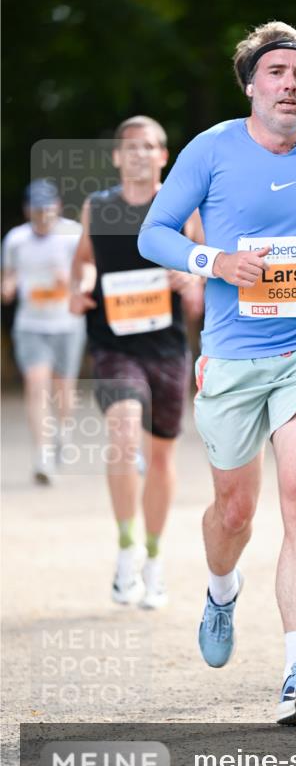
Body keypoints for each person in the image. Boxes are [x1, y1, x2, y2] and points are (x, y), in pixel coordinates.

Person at [138, 21, 296, 724]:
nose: (290, 84)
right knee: (235, 512)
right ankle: (221, 589)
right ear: (251, 85)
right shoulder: (211, 149)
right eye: (277, 72)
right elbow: (154, 232)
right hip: (233, 358)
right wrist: (213, 261)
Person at [70, 116, 204, 610]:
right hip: (112, 343)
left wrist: (191, 280)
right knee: (124, 434)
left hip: (166, 347)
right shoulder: (98, 207)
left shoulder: (181, 207)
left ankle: (153, 556)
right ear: (116, 157)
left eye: (148, 146)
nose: (138, 154)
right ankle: (125, 549)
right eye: (129, 146)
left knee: (162, 456)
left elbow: (204, 272)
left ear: (163, 156)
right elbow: (84, 260)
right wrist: (80, 286)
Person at [1, 180, 86, 484]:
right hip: (31, 325)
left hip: (67, 324)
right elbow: (8, 276)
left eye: (48, 210)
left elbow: (89, 272)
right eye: (37, 211)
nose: (43, 217)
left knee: (64, 388)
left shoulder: (73, 234)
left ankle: (63, 430)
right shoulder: (16, 239)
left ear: (58, 207)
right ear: (28, 211)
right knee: (36, 385)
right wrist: (8, 286)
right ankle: (43, 454)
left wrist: (72, 280)